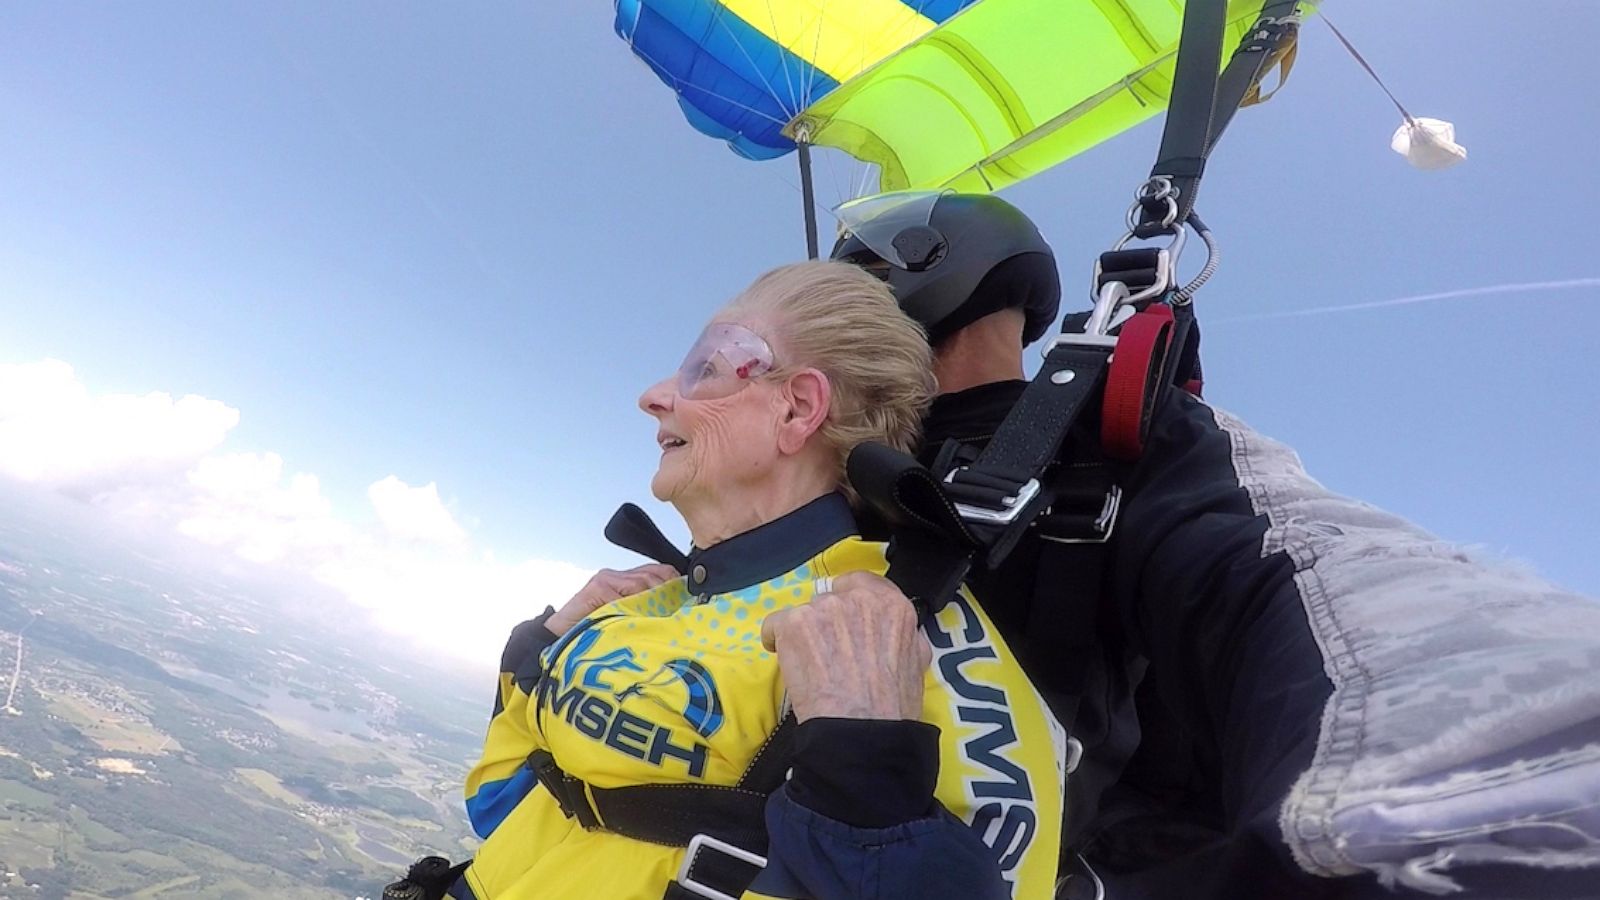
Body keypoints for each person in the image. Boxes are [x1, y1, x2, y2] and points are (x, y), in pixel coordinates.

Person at [830, 192, 1600, 899]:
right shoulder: (820, 479)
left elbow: (1288, 572)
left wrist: (1477, 785)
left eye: (841, 296)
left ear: (918, 272)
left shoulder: (1116, 439)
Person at [449, 261, 1066, 900]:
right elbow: (497, 805)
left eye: (705, 368)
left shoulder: (897, 636)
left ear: (798, 408)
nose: (655, 394)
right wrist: (535, 651)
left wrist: (870, 773)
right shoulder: (640, 600)